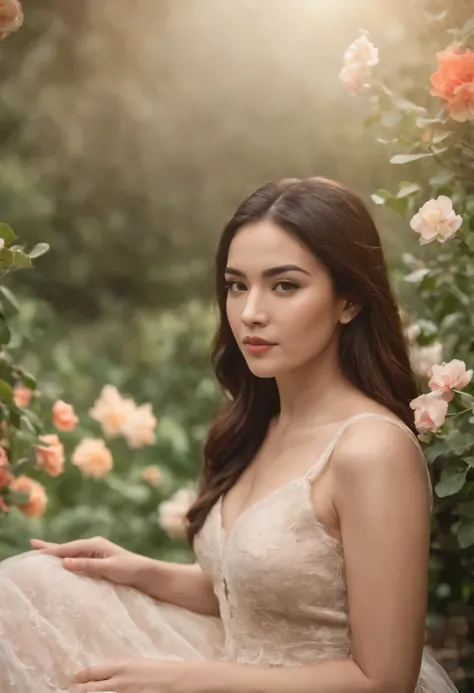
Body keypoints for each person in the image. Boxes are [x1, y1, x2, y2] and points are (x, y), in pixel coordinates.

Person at [0, 177, 459, 693]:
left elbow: (383, 680)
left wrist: (185, 680)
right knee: (29, 588)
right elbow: (267, 595)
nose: (250, 312)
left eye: (284, 285)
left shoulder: (371, 451)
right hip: (233, 667)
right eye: (237, 284)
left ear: (348, 301)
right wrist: (140, 570)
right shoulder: (260, 425)